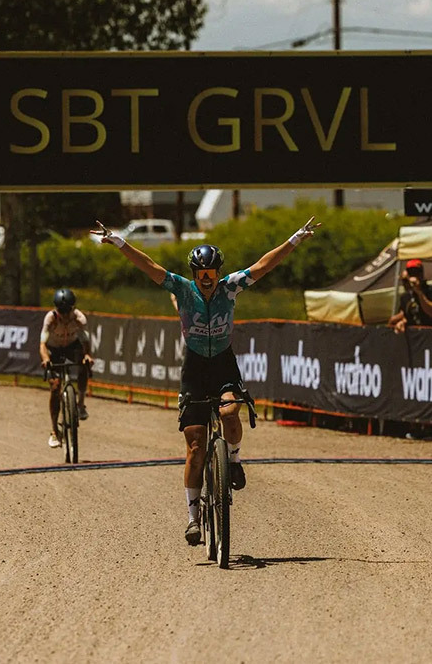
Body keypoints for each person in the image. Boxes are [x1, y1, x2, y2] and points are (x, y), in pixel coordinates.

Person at [92, 216, 320, 546]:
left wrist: (295, 238)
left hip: (223, 363)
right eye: (202, 274)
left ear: (218, 272)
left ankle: (234, 460)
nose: (208, 279)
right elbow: (149, 266)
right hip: (195, 367)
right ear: (195, 274)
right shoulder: (182, 289)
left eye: (212, 273)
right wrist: (119, 242)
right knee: (196, 447)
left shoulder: (231, 286)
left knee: (230, 412)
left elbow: (263, 266)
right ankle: (193, 517)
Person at [38, 288, 93, 449]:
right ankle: (55, 431)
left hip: (72, 346)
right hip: (53, 349)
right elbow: (42, 343)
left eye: (67, 310)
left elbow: (85, 340)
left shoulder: (79, 318)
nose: (64, 314)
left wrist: (87, 355)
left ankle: (80, 404)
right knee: (55, 386)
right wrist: (46, 359)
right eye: (61, 311)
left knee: (84, 365)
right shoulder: (50, 318)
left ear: (73, 308)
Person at [387, 259, 432, 334]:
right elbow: (405, 315)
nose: (414, 275)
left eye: (416, 272)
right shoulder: (406, 296)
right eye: (411, 273)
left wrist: (419, 292)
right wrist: (400, 322)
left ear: (421, 274)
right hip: (414, 336)